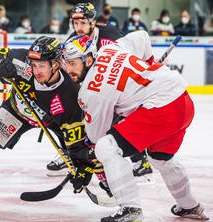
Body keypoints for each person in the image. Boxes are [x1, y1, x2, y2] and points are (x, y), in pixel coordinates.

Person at [0, 36, 111, 209]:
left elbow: (75, 138)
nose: (36, 70)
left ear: (56, 65)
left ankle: (107, 182)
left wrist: (82, 166)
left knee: (85, 149)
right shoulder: (21, 61)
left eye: (42, 66)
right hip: (16, 111)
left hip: (52, 120)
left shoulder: (69, 94)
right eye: (33, 64)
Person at [61, 31, 209, 221]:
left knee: (107, 147)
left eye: (73, 63)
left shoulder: (91, 91)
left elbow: (97, 137)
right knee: (161, 159)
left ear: (89, 59)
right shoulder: (110, 49)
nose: (68, 69)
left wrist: (86, 159)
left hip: (162, 110)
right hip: (183, 101)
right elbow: (142, 36)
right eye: (66, 63)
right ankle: (190, 206)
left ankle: (131, 209)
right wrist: (150, 61)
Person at [47, 3, 153, 181]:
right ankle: (70, 152)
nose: (78, 28)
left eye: (82, 23)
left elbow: (131, 56)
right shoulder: (73, 39)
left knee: (117, 117)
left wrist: (149, 66)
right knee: (65, 113)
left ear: (93, 22)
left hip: (115, 85)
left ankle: (140, 161)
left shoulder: (110, 35)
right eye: (75, 23)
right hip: (89, 86)